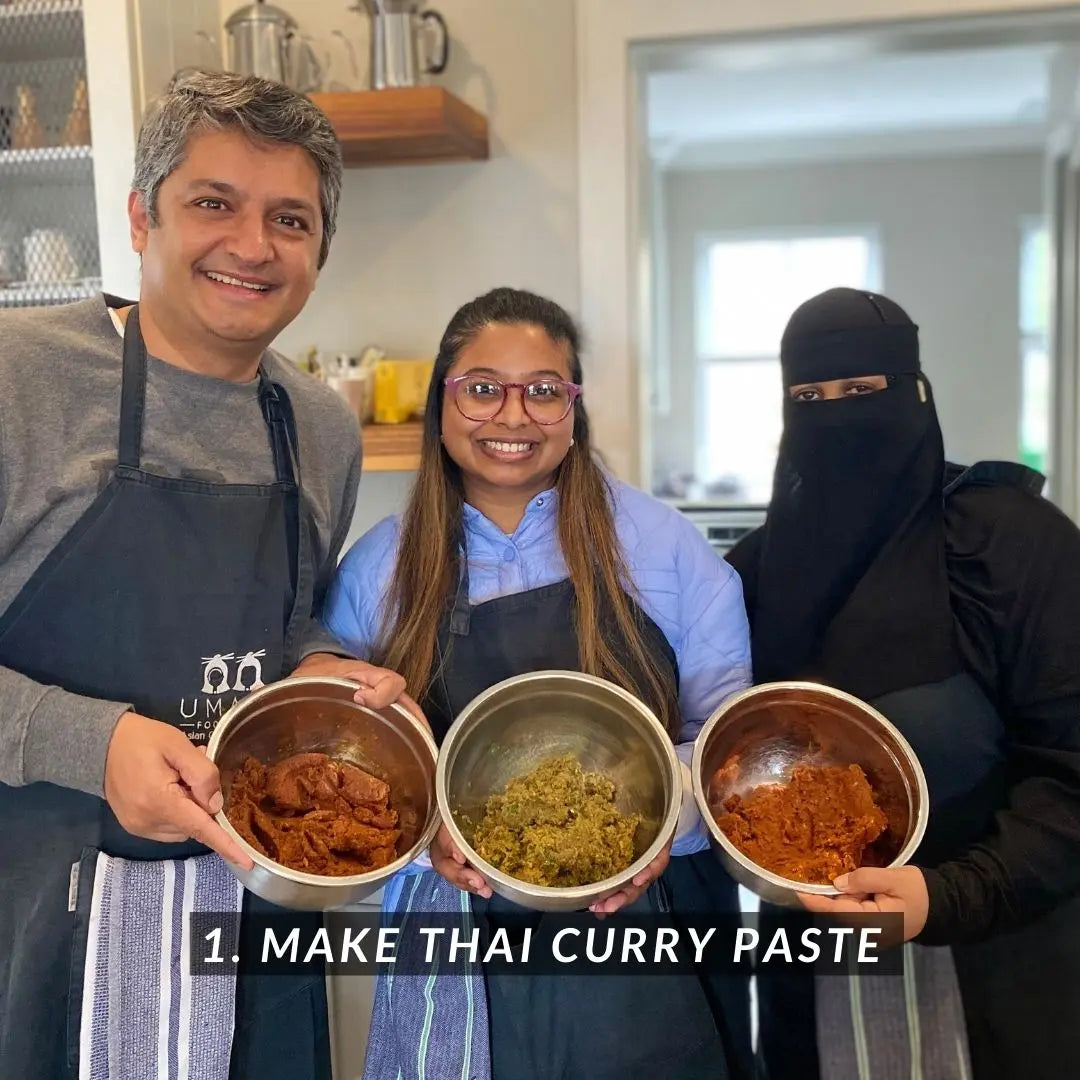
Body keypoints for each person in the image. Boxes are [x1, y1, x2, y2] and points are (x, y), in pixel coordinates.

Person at [0, 70, 414, 1080]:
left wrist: (322, 666)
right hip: (38, 913)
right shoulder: (20, 379)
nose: (252, 245)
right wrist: (93, 744)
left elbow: (287, 616)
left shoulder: (319, 425)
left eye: (290, 219)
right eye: (214, 203)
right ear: (142, 217)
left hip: (254, 907)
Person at [323, 286, 756, 1080]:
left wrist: (660, 829)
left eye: (544, 391)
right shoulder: (376, 571)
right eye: (483, 388)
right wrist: (425, 841)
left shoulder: (666, 551)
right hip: (454, 938)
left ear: (573, 408)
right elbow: (348, 771)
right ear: (442, 403)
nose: (514, 416)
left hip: (649, 939)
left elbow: (727, 751)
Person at [725, 287, 1080, 1080]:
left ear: (915, 394)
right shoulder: (753, 576)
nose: (837, 418)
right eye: (809, 399)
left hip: (1002, 963)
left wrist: (946, 896)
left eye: (861, 391)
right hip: (811, 975)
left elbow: (1070, 772)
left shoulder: (1009, 547)